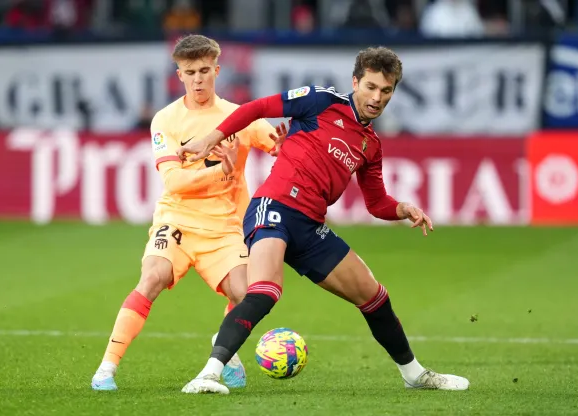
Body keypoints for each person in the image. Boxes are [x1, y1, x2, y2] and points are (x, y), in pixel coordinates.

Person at [177, 46, 470, 394]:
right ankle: (208, 374)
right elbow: (257, 108)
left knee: (374, 296)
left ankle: (414, 374)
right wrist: (211, 138)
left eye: (386, 91)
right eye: (371, 87)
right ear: (355, 82)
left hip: (310, 226)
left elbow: (376, 203)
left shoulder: (370, 144)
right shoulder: (319, 101)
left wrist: (402, 209)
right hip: (274, 206)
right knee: (266, 291)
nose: (377, 98)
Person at [90, 34, 286, 391]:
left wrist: (286, 146)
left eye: (205, 70)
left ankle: (225, 349)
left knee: (247, 294)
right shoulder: (165, 120)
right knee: (152, 277)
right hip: (177, 219)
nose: (198, 79)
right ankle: (106, 367)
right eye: (190, 71)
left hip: (225, 227)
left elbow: (278, 146)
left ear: (217, 70)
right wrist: (222, 171)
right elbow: (176, 182)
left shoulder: (238, 117)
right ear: (178, 74)